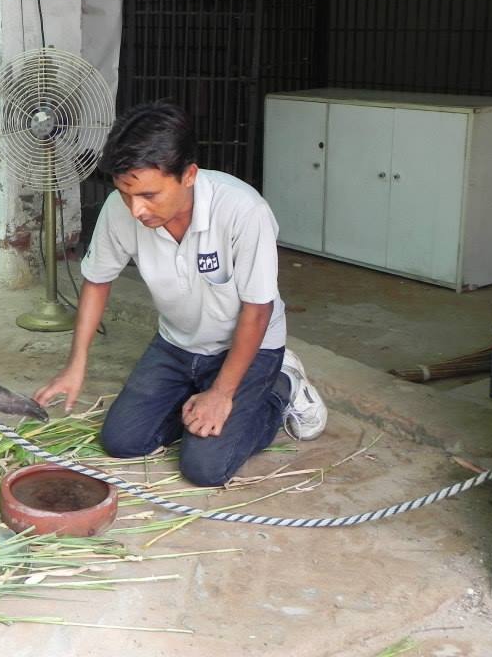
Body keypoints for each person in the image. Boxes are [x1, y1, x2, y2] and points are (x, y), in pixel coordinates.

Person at [33, 101, 327, 487]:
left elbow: (257, 309)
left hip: (248, 347)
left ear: (188, 175)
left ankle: (281, 388)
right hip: (177, 345)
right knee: (122, 441)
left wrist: (222, 393)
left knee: (204, 468)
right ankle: (203, 396)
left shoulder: (242, 211)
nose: (136, 209)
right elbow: (97, 281)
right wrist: (76, 363)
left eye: (150, 195)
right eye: (125, 193)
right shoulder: (122, 210)